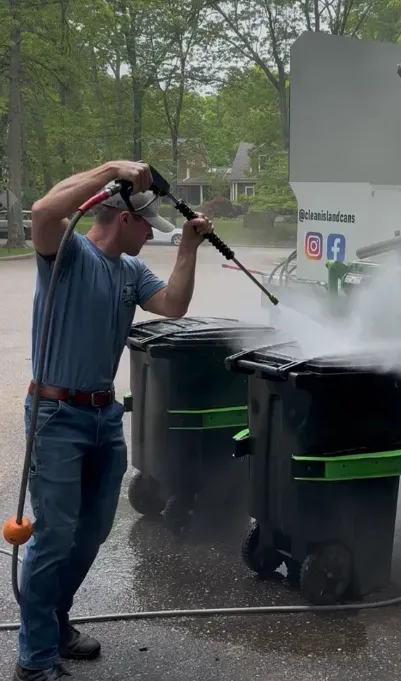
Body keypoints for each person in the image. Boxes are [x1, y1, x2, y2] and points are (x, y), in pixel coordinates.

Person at [14, 161, 213, 681]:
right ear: (124, 218)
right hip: (57, 415)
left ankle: (55, 623)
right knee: (55, 535)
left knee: (93, 530)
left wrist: (189, 248)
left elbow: (172, 305)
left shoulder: (130, 272)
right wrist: (109, 168)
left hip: (104, 417)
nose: (152, 235)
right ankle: (34, 661)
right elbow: (43, 210)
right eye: (148, 226)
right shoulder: (68, 254)